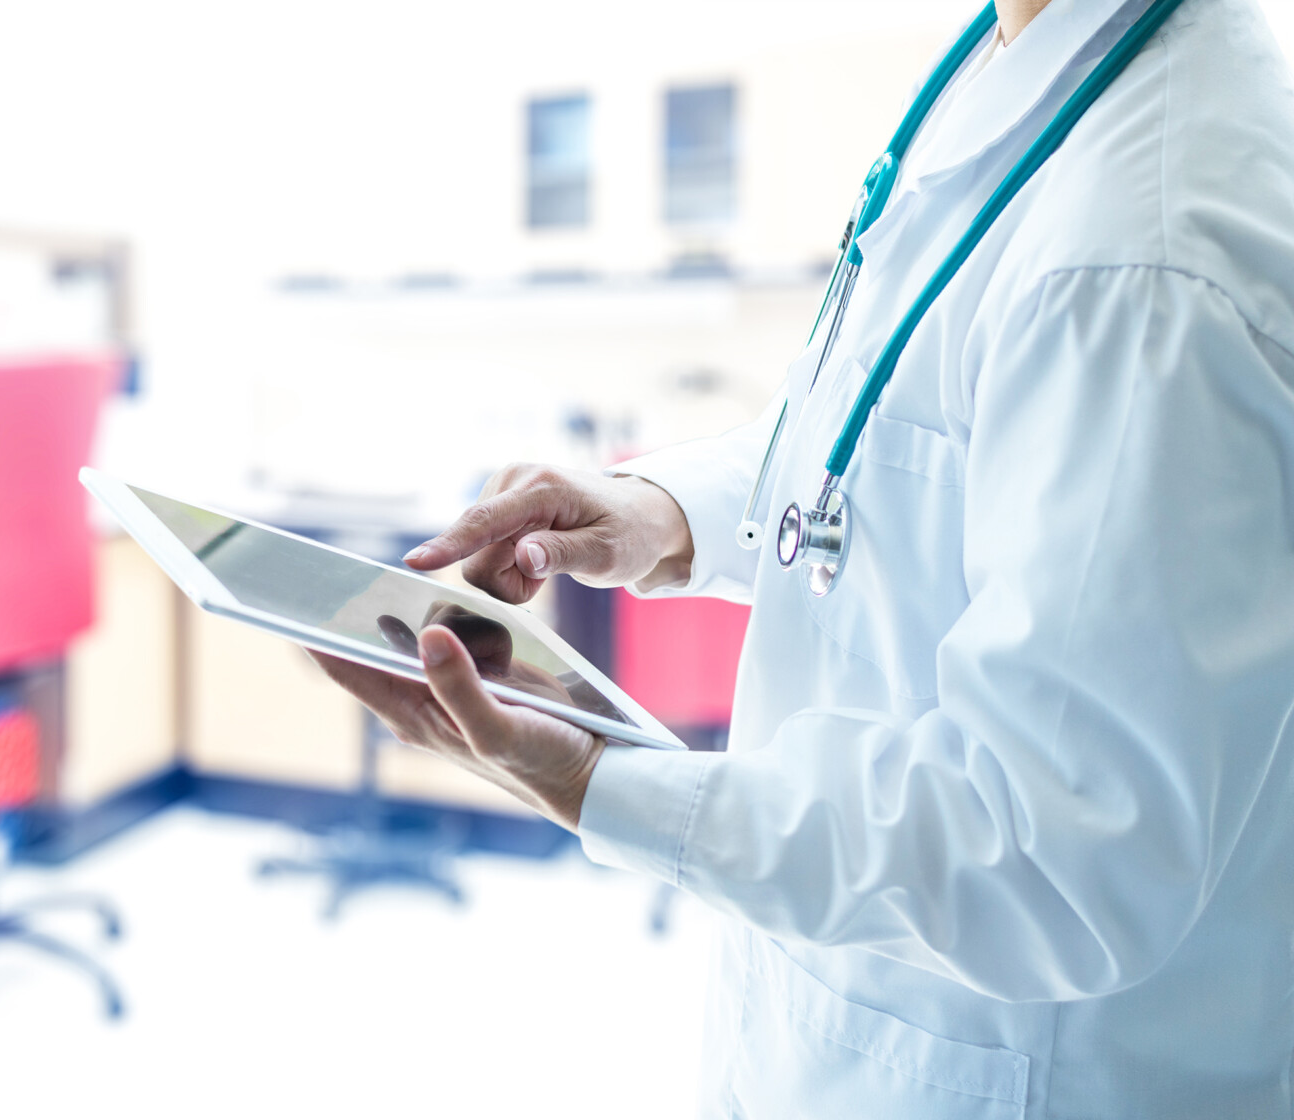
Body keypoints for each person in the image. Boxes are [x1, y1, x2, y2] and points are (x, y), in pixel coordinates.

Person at [311, 0, 1294, 1115]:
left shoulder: (1147, 242)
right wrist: (656, 509)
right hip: (842, 1025)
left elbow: (1061, 851)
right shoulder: (1010, 67)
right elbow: (881, 443)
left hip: (1011, 1071)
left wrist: (603, 783)